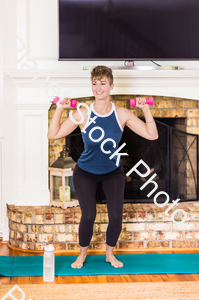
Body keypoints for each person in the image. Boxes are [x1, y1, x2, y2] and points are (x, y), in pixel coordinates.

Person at [47, 65, 158, 268]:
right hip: (85, 172)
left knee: (116, 216)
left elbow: (152, 135)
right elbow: (53, 134)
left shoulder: (122, 114)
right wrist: (60, 109)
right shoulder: (83, 113)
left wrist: (146, 110)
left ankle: (109, 254)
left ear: (111, 86)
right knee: (88, 215)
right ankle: (81, 255)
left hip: (113, 172)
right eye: (95, 83)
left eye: (103, 83)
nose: (98, 88)